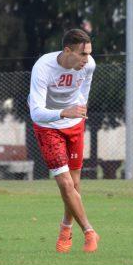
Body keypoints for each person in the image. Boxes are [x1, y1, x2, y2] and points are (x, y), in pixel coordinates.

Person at [28, 28, 100, 253]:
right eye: (82, 54)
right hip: (48, 126)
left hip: (74, 124)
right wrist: (62, 113)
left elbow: (85, 88)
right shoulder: (43, 67)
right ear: (67, 50)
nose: (86, 60)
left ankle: (65, 228)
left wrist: (79, 108)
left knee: (75, 184)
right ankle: (89, 231)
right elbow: (36, 112)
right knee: (65, 183)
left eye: (88, 54)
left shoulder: (89, 65)